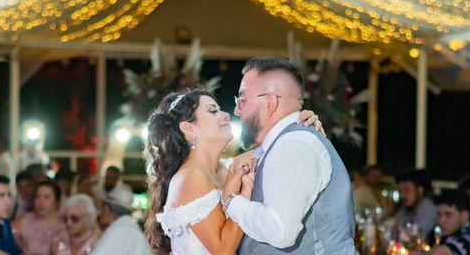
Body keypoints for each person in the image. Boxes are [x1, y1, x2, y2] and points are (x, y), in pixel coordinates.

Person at [144, 85, 324, 254]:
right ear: (189, 128)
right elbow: (222, 250)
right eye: (213, 111)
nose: (226, 115)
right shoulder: (190, 177)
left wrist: (300, 124)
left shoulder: (228, 168)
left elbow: (277, 146)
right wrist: (241, 195)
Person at [223, 56, 357, 253]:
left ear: (270, 102)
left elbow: (281, 231)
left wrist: (231, 202)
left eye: (242, 100)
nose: (236, 109)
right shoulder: (279, 146)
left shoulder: (294, 144)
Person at [13, 180, 67, 254]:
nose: (41, 202)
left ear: (56, 202)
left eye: (46, 197)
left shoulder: (65, 223)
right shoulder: (24, 221)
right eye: (38, 197)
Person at [394, 170, 437, 240]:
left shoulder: (429, 209)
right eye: (400, 191)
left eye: (407, 190)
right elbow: (393, 228)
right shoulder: (406, 208)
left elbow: (414, 238)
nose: (402, 195)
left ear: (420, 190)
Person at [430, 190, 470, 255]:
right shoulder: (450, 233)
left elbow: (440, 252)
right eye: (439, 215)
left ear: (464, 216)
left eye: (448, 215)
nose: (441, 221)